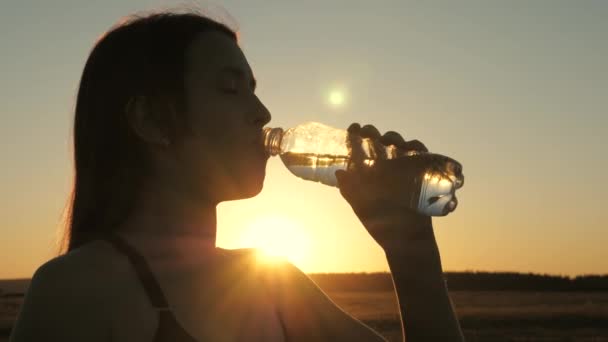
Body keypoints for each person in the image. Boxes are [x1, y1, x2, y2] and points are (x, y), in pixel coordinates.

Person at [9, 10, 464, 342]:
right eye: (230, 89)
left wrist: (412, 254)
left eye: (254, 91)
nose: (263, 113)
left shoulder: (275, 285)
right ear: (150, 120)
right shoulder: (77, 290)